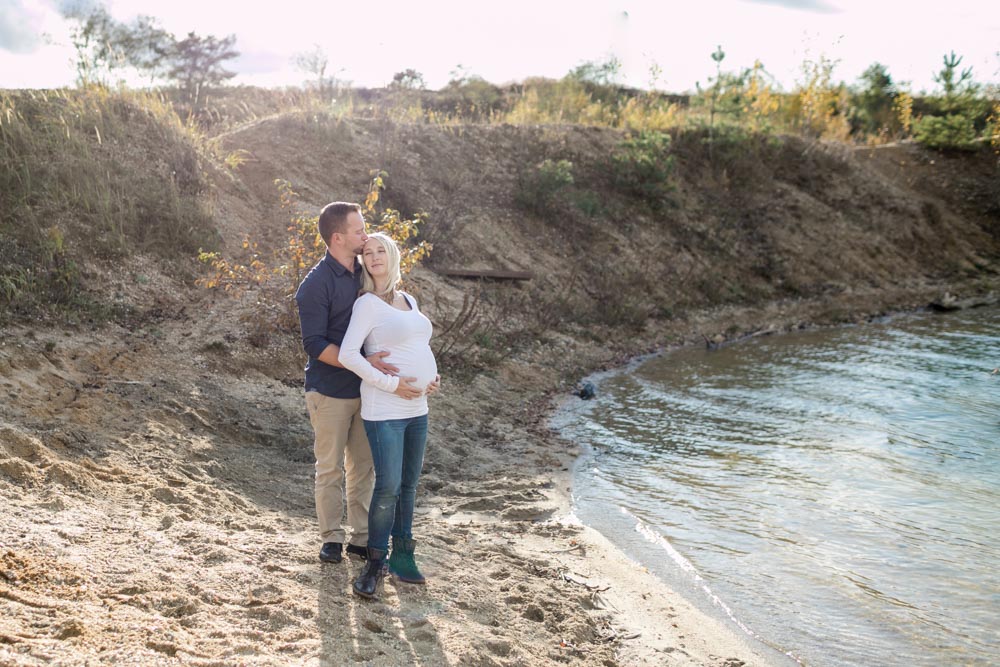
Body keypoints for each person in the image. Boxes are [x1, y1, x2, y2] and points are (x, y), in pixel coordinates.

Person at [294, 202, 402, 565]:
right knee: (329, 468)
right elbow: (314, 343)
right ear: (337, 238)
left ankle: (360, 539)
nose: (365, 235)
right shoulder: (314, 285)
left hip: (368, 390)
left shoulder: (366, 272)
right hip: (329, 390)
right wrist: (359, 362)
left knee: (363, 468)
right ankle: (331, 539)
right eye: (359, 230)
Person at [338, 232, 439, 599]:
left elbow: (418, 346)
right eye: (368, 252)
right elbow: (350, 355)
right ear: (364, 261)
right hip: (385, 409)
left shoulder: (408, 299)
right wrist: (392, 384)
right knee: (388, 486)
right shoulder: (366, 304)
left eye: (381, 250)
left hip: (419, 408)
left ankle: (404, 557)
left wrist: (432, 375)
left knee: (409, 486)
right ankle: (375, 563)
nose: (375, 256)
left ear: (393, 255)